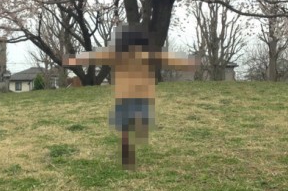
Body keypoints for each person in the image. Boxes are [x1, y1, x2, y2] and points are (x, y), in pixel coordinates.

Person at [64, 26, 199, 168]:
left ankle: (138, 132)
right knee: (125, 127)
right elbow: (94, 57)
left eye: (138, 49)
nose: (135, 53)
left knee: (140, 123)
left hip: (142, 98)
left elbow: (169, 59)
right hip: (124, 98)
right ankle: (127, 153)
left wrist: (187, 63)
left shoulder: (148, 56)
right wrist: (74, 60)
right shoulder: (117, 56)